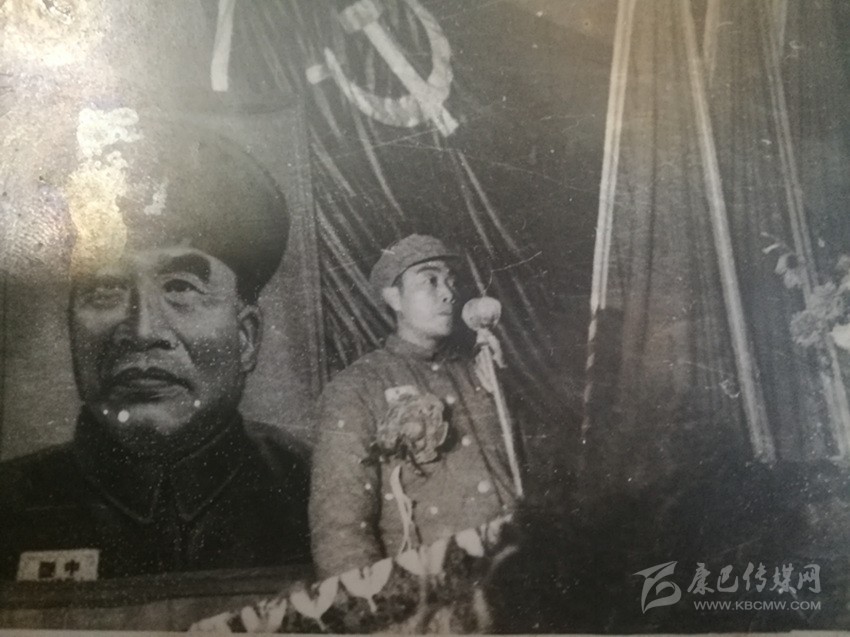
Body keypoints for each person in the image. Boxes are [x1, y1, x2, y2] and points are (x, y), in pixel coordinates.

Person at [0, 113, 310, 580]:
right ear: (70, 328)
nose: (143, 331)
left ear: (246, 337)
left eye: (181, 287)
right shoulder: (11, 504)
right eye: (105, 290)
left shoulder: (315, 489)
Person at [309, 234, 522, 578]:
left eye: (451, 281)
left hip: (512, 578)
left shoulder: (479, 371)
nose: (448, 293)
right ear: (394, 298)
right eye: (430, 280)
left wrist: (502, 388)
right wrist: (375, 605)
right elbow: (341, 531)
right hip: (434, 592)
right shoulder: (357, 388)